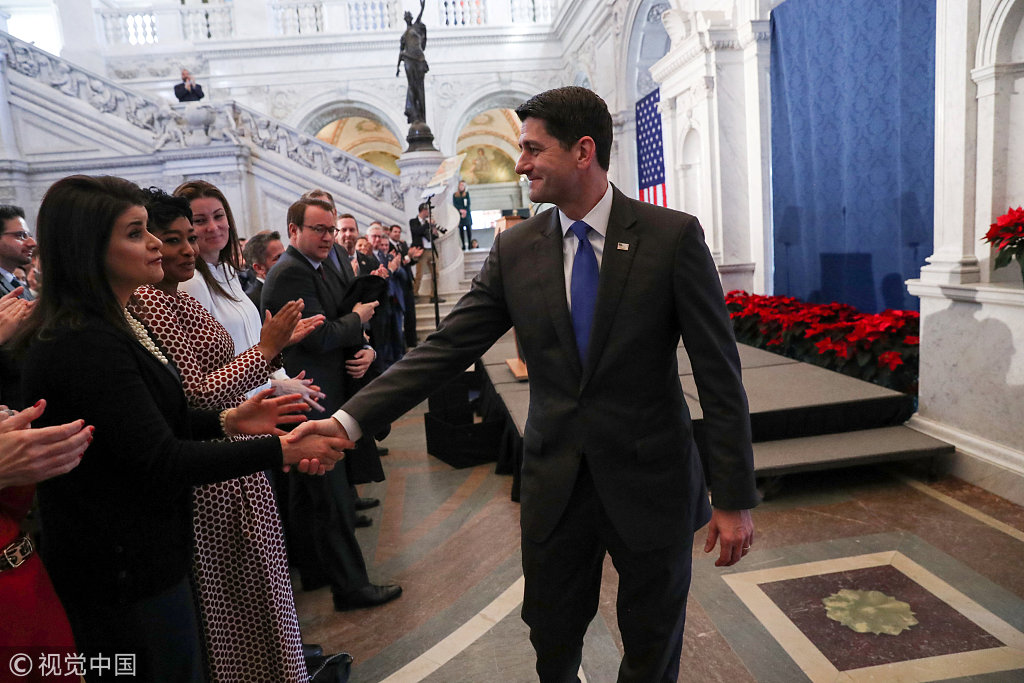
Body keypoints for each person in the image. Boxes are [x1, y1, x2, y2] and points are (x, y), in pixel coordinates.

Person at [289, 86, 758, 682]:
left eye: (533, 148)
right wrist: (345, 422)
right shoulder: (516, 250)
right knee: (552, 636)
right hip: (556, 487)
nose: (521, 163)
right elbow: (444, 350)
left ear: (583, 151)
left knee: (653, 644)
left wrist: (735, 496)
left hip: (653, 484)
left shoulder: (671, 238)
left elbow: (719, 375)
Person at [18, 175, 349, 682]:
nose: (157, 244)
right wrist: (277, 447)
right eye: (138, 234)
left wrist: (228, 419)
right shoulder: (83, 340)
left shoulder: (119, 319)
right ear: (88, 249)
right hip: (123, 565)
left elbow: (156, 409)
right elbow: (158, 455)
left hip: (152, 548)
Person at [127, 188, 324, 681]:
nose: (184, 250)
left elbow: (226, 364)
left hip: (234, 446)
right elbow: (193, 397)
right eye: (167, 239)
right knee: (234, 598)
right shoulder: (151, 302)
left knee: (263, 583)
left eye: (189, 237)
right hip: (210, 468)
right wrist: (264, 351)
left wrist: (272, 354)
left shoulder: (183, 297)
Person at [262, 196, 401, 611]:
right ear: (293, 231)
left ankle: (319, 571)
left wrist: (364, 344)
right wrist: (358, 319)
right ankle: (351, 587)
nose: (327, 237)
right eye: (317, 230)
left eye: (329, 229)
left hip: (322, 391)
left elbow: (339, 318)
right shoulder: (290, 273)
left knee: (313, 499)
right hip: (311, 397)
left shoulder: (323, 263)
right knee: (333, 499)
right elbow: (318, 335)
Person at [174, 180, 325, 409]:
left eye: (218, 216)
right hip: (233, 413)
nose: (213, 227)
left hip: (256, 402)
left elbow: (248, 347)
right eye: (200, 221)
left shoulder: (226, 272)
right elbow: (209, 376)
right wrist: (273, 379)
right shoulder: (191, 282)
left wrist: (279, 379)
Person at [396, 0, 428, 124]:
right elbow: (400, 51)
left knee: (419, 86)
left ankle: (421, 114)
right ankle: (414, 112)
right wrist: (397, 68)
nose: (408, 18)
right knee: (412, 86)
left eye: (409, 17)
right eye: (406, 17)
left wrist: (422, 7)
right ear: (405, 20)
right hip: (408, 58)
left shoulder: (416, 27)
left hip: (419, 58)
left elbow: (420, 15)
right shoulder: (404, 36)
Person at [241, 229, 285, 309]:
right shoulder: (251, 301)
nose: (285, 260)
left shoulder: (287, 288)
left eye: (285, 255)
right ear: (259, 268)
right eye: (277, 258)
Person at [453, 180, 473, 250]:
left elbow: (468, 204)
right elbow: (455, 204)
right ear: (458, 186)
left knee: (468, 229)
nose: (461, 186)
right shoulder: (455, 195)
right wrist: (460, 210)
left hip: (466, 214)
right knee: (461, 230)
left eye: (463, 185)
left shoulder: (466, 194)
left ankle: (470, 244)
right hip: (460, 214)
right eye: (460, 185)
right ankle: (463, 244)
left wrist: (465, 211)